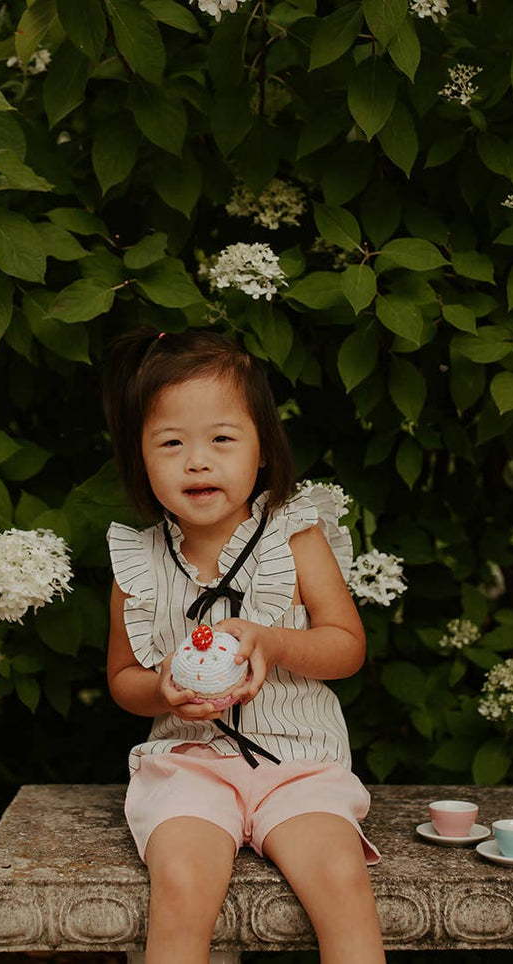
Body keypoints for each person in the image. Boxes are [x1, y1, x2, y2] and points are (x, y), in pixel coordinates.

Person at [100, 327, 386, 964]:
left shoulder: (295, 538)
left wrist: (273, 640)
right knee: (181, 881)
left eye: (221, 440)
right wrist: (162, 685)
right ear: (141, 458)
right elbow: (123, 679)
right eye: (170, 443)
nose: (197, 461)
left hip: (298, 762)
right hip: (191, 764)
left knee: (340, 878)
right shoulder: (138, 563)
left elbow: (346, 647)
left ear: (262, 449)